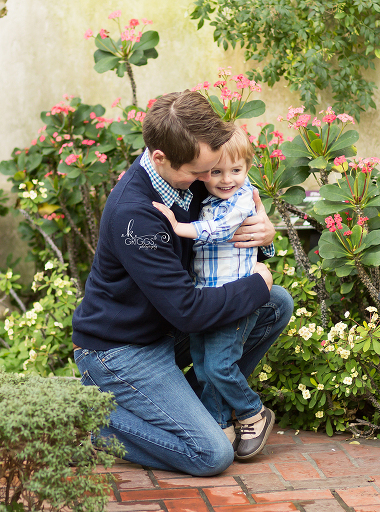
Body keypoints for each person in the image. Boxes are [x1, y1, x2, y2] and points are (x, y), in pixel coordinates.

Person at [71, 90, 292, 476]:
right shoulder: (136, 214)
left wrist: (263, 238)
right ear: (160, 158)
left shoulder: (186, 173)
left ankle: (208, 408)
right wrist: (259, 281)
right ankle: (87, 416)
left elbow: (231, 225)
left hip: (164, 329)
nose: (211, 178)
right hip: (121, 350)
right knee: (211, 455)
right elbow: (188, 311)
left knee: (276, 304)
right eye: (199, 171)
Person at [152, 127, 275, 461]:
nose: (226, 180)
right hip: (206, 298)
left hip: (236, 300)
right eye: (216, 172)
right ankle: (220, 423)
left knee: (220, 367)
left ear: (248, 168)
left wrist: (179, 228)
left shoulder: (240, 199)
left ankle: (253, 412)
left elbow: (220, 231)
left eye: (236, 171)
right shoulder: (205, 198)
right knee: (204, 368)